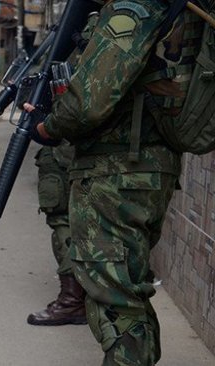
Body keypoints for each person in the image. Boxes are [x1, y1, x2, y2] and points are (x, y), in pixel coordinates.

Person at [29, 0, 203, 363]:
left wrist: (48, 128)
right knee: (127, 291)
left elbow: (87, 104)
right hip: (142, 169)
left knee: (117, 301)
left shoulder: (132, 8)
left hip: (118, 170)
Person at [27, 144, 87, 326]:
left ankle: (72, 300)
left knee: (63, 220)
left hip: (68, 147)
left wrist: (44, 125)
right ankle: (79, 297)